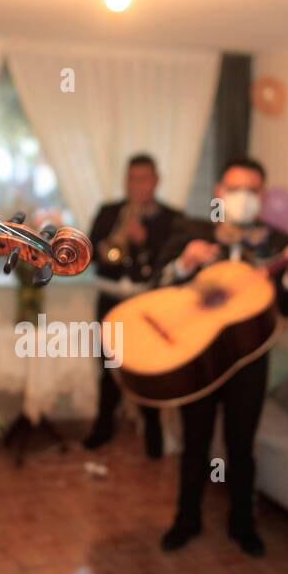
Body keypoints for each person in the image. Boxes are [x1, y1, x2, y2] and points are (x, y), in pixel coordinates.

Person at [156, 157, 288, 557]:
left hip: (249, 359)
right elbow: (158, 284)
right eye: (235, 188)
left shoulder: (277, 242)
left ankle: (243, 523)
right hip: (199, 356)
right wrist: (186, 261)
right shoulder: (192, 231)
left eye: (253, 190)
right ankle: (186, 520)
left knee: (242, 445)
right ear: (218, 192)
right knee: (195, 443)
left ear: (263, 195)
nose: (243, 197)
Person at [83, 154, 183, 457]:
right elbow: (90, 253)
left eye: (143, 178)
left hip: (147, 304)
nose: (137, 185)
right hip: (111, 299)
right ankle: (104, 426)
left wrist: (143, 241)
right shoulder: (108, 212)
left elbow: (169, 263)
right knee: (109, 366)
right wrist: (106, 246)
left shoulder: (172, 218)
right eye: (132, 179)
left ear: (156, 180)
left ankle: (153, 430)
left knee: (146, 368)